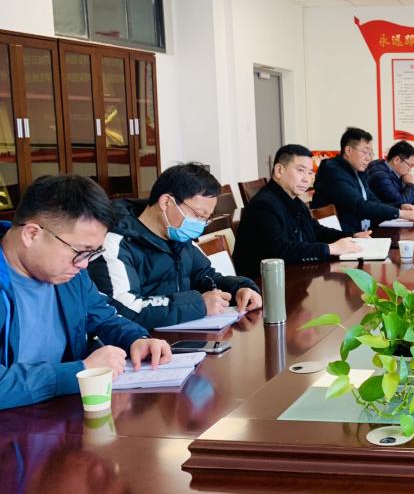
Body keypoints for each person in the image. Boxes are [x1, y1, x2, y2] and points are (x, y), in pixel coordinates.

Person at [0, 175, 171, 410]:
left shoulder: (70, 274)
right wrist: (79, 372)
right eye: (80, 251)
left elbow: (103, 318)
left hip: (63, 413)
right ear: (31, 234)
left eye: (92, 252)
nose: (84, 264)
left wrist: (137, 340)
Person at [89, 163, 262, 331]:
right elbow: (122, 308)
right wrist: (198, 304)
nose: (201, 225)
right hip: (143, 343)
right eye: (198, 215)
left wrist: (240, 289)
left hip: (184, 337)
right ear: (166, 202)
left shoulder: (179, 236)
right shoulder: (115, 242)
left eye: (206, 218)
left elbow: (206, 277)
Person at [233, 144, 368, 280]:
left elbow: (316, 230)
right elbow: (280, 251)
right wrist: (330, 248)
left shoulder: (295, 201)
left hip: (292, 276)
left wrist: (352, 236)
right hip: (264, 285)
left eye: (310, 173)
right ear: (279, 170)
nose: (306, 179)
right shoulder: (263, 205)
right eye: (300, 170)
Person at [312, 127, 414, 233]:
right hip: (342, 237)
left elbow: (372, 201)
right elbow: (359, 206)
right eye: (365, 152)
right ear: (348, 150)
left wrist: (399, 207)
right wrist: (400, 213)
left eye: (370, 153)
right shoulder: (334, 172)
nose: (368, 158)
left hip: (359, 232)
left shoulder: (357, 171)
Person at [367, 141, 414, 206]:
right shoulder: (380, 177)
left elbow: (404, 195)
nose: (410, 170)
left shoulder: (395, 174)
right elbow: (400, 202)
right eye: (410, 165)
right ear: (396, 160)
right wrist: (411, 185)